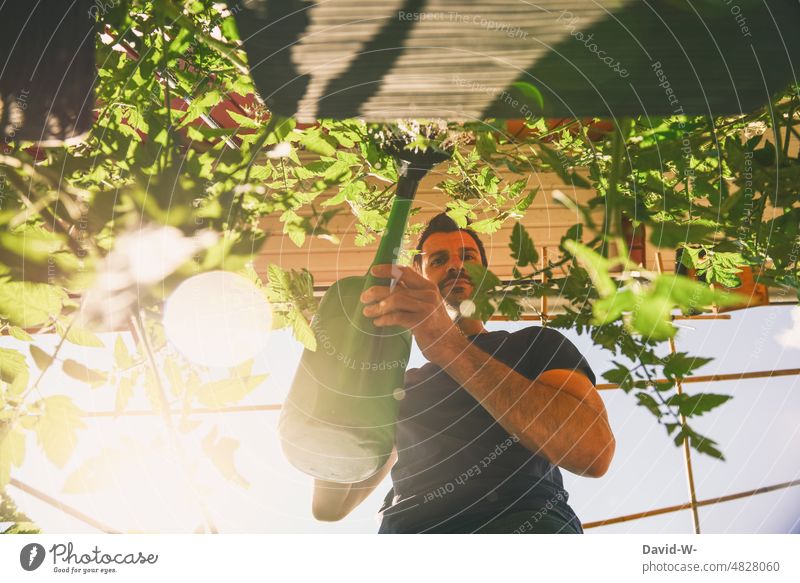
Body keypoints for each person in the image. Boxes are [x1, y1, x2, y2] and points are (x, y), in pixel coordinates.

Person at [311, 213, 615, 533]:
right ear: (420, 278)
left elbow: (591, 451)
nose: (456, 266)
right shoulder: (401, 386)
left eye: (467, 256)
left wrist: (449, 348)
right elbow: (330, 506)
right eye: (439, 260)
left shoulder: (537, 344)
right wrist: (337, 383)